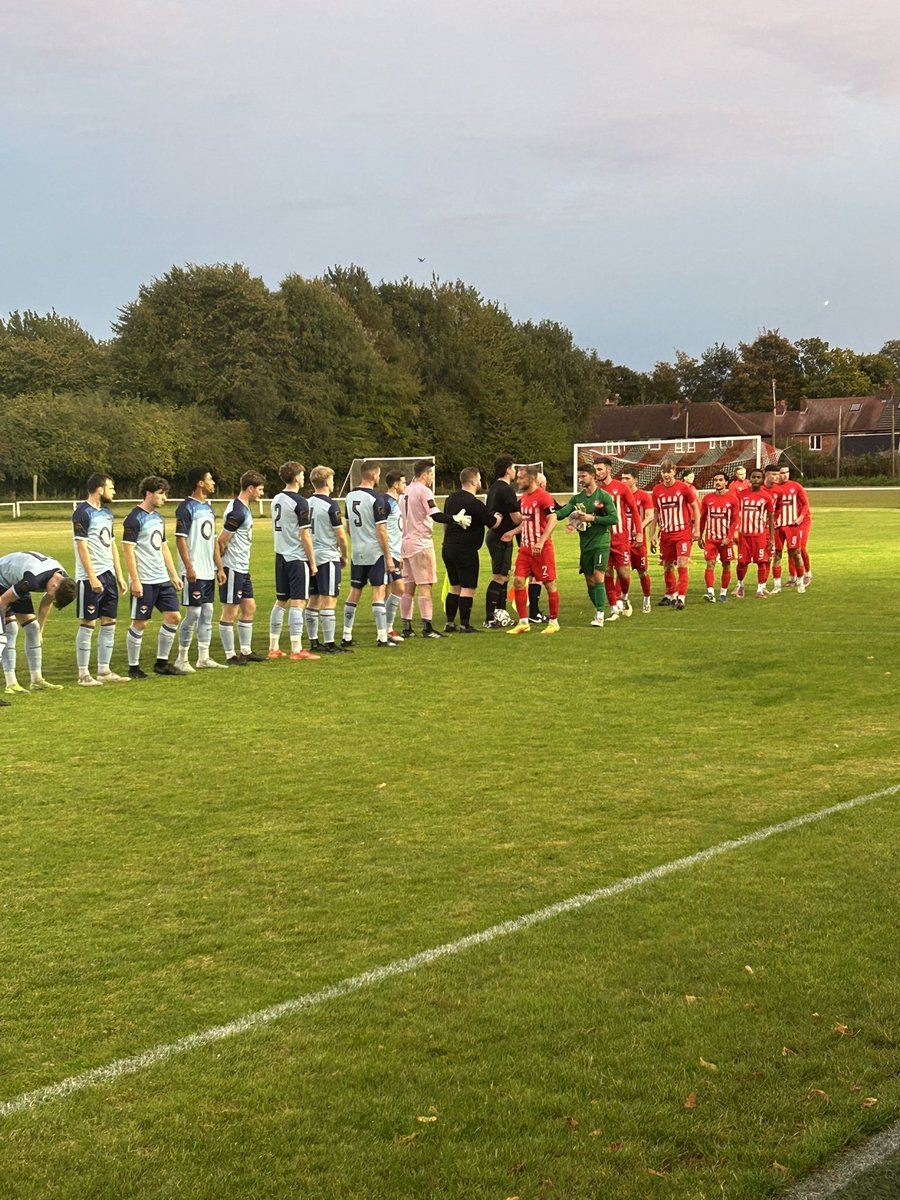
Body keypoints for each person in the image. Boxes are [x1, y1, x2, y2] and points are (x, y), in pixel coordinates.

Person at [122, 476, 186, 678]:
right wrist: (135, 580)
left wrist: (173, 574)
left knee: (174, 617)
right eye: (161, 493)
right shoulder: (133, 519)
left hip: (162, 579)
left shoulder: (159, 518)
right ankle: (133, 668)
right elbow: (128, 551)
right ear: (149, 493)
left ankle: (161, 663)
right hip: (145, 581)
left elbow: (163, 547)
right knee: (140, 623)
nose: (164, 498)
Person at [72, 472, 129, 685]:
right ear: (100, 489)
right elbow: (82, 546)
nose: (114, 492)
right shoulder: (82, 513)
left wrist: (119, 574)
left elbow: (111, 544)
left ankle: (104, 671)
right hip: (90, 577)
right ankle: (83, 674)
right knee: (88, 622)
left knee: (109, 621)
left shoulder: (107, 513)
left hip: (108, 575)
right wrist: (92, 577)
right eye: (111, 488)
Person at [174, 468, 227, 672]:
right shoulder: (186, 508)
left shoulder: (209, 508)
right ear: (200, 483)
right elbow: (180, 540)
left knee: (208, 612)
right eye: (210, 479)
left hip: (208, 570)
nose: (213, 482)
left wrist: (219, 567)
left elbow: (212, 541)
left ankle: (203, 657)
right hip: (194, 570)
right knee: (194, 613)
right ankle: (182, 659)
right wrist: (188, 567)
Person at [0, 552, 76, 694]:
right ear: (54, 585)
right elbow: (3, 601)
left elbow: (47, 601)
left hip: (16, 580)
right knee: (10, 629)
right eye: (54, 595)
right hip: (1, 579)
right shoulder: (33, 579)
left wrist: (40, 630)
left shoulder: (62, 579)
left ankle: (37, 680)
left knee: (33, 628)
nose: (52, 596)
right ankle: (11, 683)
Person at [267, 462, 319, 663]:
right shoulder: (300, 502)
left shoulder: (276, 499)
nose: (304, 478)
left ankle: (274, 647)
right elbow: (305, 535)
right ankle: (296, 649)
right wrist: (312, 562)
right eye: (302, 475)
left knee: (281, 600)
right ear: (296, 477)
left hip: (280, 555)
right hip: (296, 557)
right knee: (298, 602)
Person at [553, 465, 618, 626]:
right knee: (589, 579)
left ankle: (600, 615)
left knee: (598, 574)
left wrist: (592, 518)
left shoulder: (604, 496)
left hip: (601, 542)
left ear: (593, 476)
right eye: (579, 477)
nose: (580, 480)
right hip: (586, 544)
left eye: (583, 476)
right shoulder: (577, 499)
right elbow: (563, 512)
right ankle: (599, 608)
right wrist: (549, 512)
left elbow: (613, 519)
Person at [342, 460, 396, 649]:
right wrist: (388, 557)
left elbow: (348, 526)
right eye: (378, 474)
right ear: (374, 475)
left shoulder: (349, 496)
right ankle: (382, 637)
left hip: (357, 551)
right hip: (375, 552)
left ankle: (346, 635)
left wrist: (358, 540)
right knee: (378, 591)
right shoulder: (376, 499)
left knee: (355, 591)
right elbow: (381, 530)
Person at [440, 467, 501, 632]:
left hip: (448, 547)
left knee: (454, 586)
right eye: (479, 479)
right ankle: (464, 624)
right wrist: (498, 517)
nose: (480, 482)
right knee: (468, 587)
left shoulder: (450, 499)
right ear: (474, 481)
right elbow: (492, 523)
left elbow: (446, 521)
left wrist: (445, 540)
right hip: (465, 549)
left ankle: (450, 622)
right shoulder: (474, 503)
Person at [217, 470, 267, 665]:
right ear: (250, 488)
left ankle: (246, 651)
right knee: (230, 611)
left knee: (249, 607)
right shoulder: (237, 512)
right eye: (260, 490)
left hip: (242, 567)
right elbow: (221, 540)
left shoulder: (243, 508)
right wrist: (222, 567)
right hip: (233, 567)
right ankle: (230, 655)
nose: (262, 493)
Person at [399, 458, 452, 639]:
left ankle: (406, 627)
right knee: (425, 585)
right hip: (421, 543)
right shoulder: (424, 491)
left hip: (405, 544)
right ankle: (427, 627)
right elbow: (435, 514)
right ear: (424, 474)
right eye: (432, 474)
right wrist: (454, 519)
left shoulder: (405, 491)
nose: (432, 478)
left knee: (408, 587)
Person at [506, 465, 560, 635]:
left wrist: (541, 542)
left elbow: (553, 519)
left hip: (542, 550)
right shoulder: (524, 498)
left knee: (549, 584)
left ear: (532, 478)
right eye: (518, 477)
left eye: (521, 478)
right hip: (525, 549)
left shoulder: (544, 497)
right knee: (518, 582)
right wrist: (512, 532)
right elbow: (527, 522)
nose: (518, 481)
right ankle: (523, 622)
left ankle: (554, 622)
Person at [305, 465, 349, 654]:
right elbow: (340, 535)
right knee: (329, 599)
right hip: (327, 556)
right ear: (326, 482)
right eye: (331, 479)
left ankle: (314, 642)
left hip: (310, 557)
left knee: (313, 599)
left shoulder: (305, 503)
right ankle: (330, 643)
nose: (333, 483)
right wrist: (344, 555)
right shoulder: (330, 505)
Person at [593, 457, 643, 621]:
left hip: (621, 538)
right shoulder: (596, 490)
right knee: (606, 572)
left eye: (600, 469)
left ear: (609, 469)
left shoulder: (621, 488)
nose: (597, 473)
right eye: (595, 469)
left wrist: (639, 532)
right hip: (603, 539)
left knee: (623, 573)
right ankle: (613, 608)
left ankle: (624, 597)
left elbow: (634, 509)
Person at [650, 460, 701, 610]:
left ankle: (681, 598)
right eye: (663, 472)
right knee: (667, 566)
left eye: (669, 471)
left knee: (682, 563)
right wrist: (652, 534)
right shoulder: (657, 490)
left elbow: (695, 508)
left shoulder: (683, 488)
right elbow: (656, 513)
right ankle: (672, 595)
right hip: (666, 534)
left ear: (674, 471)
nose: (666, 475)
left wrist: (697, 529)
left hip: (682, 533)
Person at [483, 456, 522, 627]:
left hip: (495, 535)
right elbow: (516, 518)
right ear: (507, 470)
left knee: (504, 576)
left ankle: (500, 614)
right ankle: (490, 618)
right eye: (513, 468)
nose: (515, 471)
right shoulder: (507, 490)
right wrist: (530, 517)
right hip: (502, 536)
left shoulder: (492, 488)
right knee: (499, 576)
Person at [734, 468, 776, 599]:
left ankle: (760, 589)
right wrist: (734, 530)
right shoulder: (741, 494)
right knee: (742, 563)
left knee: (761, 562)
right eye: (753, 477)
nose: (756, 479)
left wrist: (771, 538)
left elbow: (771, 518)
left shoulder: (766, 497)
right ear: (750, 479)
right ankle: (740, 585)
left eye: (758, 477)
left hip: (759, 536)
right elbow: (735, 514)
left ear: (762, 480)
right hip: (744, 535)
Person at [698, 472, 739, 602]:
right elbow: (703, 518)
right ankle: (710, 592)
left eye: (721, 480)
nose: (717, 482)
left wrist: (729, 537)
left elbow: (735, 520)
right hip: (711, 539)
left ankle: (723, 593)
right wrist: (700, 535)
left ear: (726, 482)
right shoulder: (707, 499)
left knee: (726, 565)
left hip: (725, 539)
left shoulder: (733, 499)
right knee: (710, 564)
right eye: (715, 480)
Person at [619, 469, 655, 613]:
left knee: (642, 572)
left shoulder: (643, 496)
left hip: (638, 542)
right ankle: (623, 599)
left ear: (635, 480)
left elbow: (650, 516)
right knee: (622, 571)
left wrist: (639, 528)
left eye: (627, 478)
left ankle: (646, 599)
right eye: (622, 478)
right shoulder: (619, 497)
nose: (624, 481)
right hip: (622, 542)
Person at [772, 463, 810, 594]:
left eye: (787, 472)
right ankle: (777, 586)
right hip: (778, 526)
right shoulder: (772, 488)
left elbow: (805, 504)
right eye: (782, 473)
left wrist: (801, 517)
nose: (785, 475)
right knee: (777, 555)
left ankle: (800, 582)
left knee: (796, 553)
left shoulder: (796, 486)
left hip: (792, 526)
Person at [382, 469, 407, 642]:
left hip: (395, 553)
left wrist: (400, 554)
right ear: (396, 485)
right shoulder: (386, 502)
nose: (405, 485)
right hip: (388, 554)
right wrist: (389, 554)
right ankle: (386, 629)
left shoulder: (395, 502)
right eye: (403, 483)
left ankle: (385, 629)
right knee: (398, 588)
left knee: (388, 589)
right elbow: (381, 529)